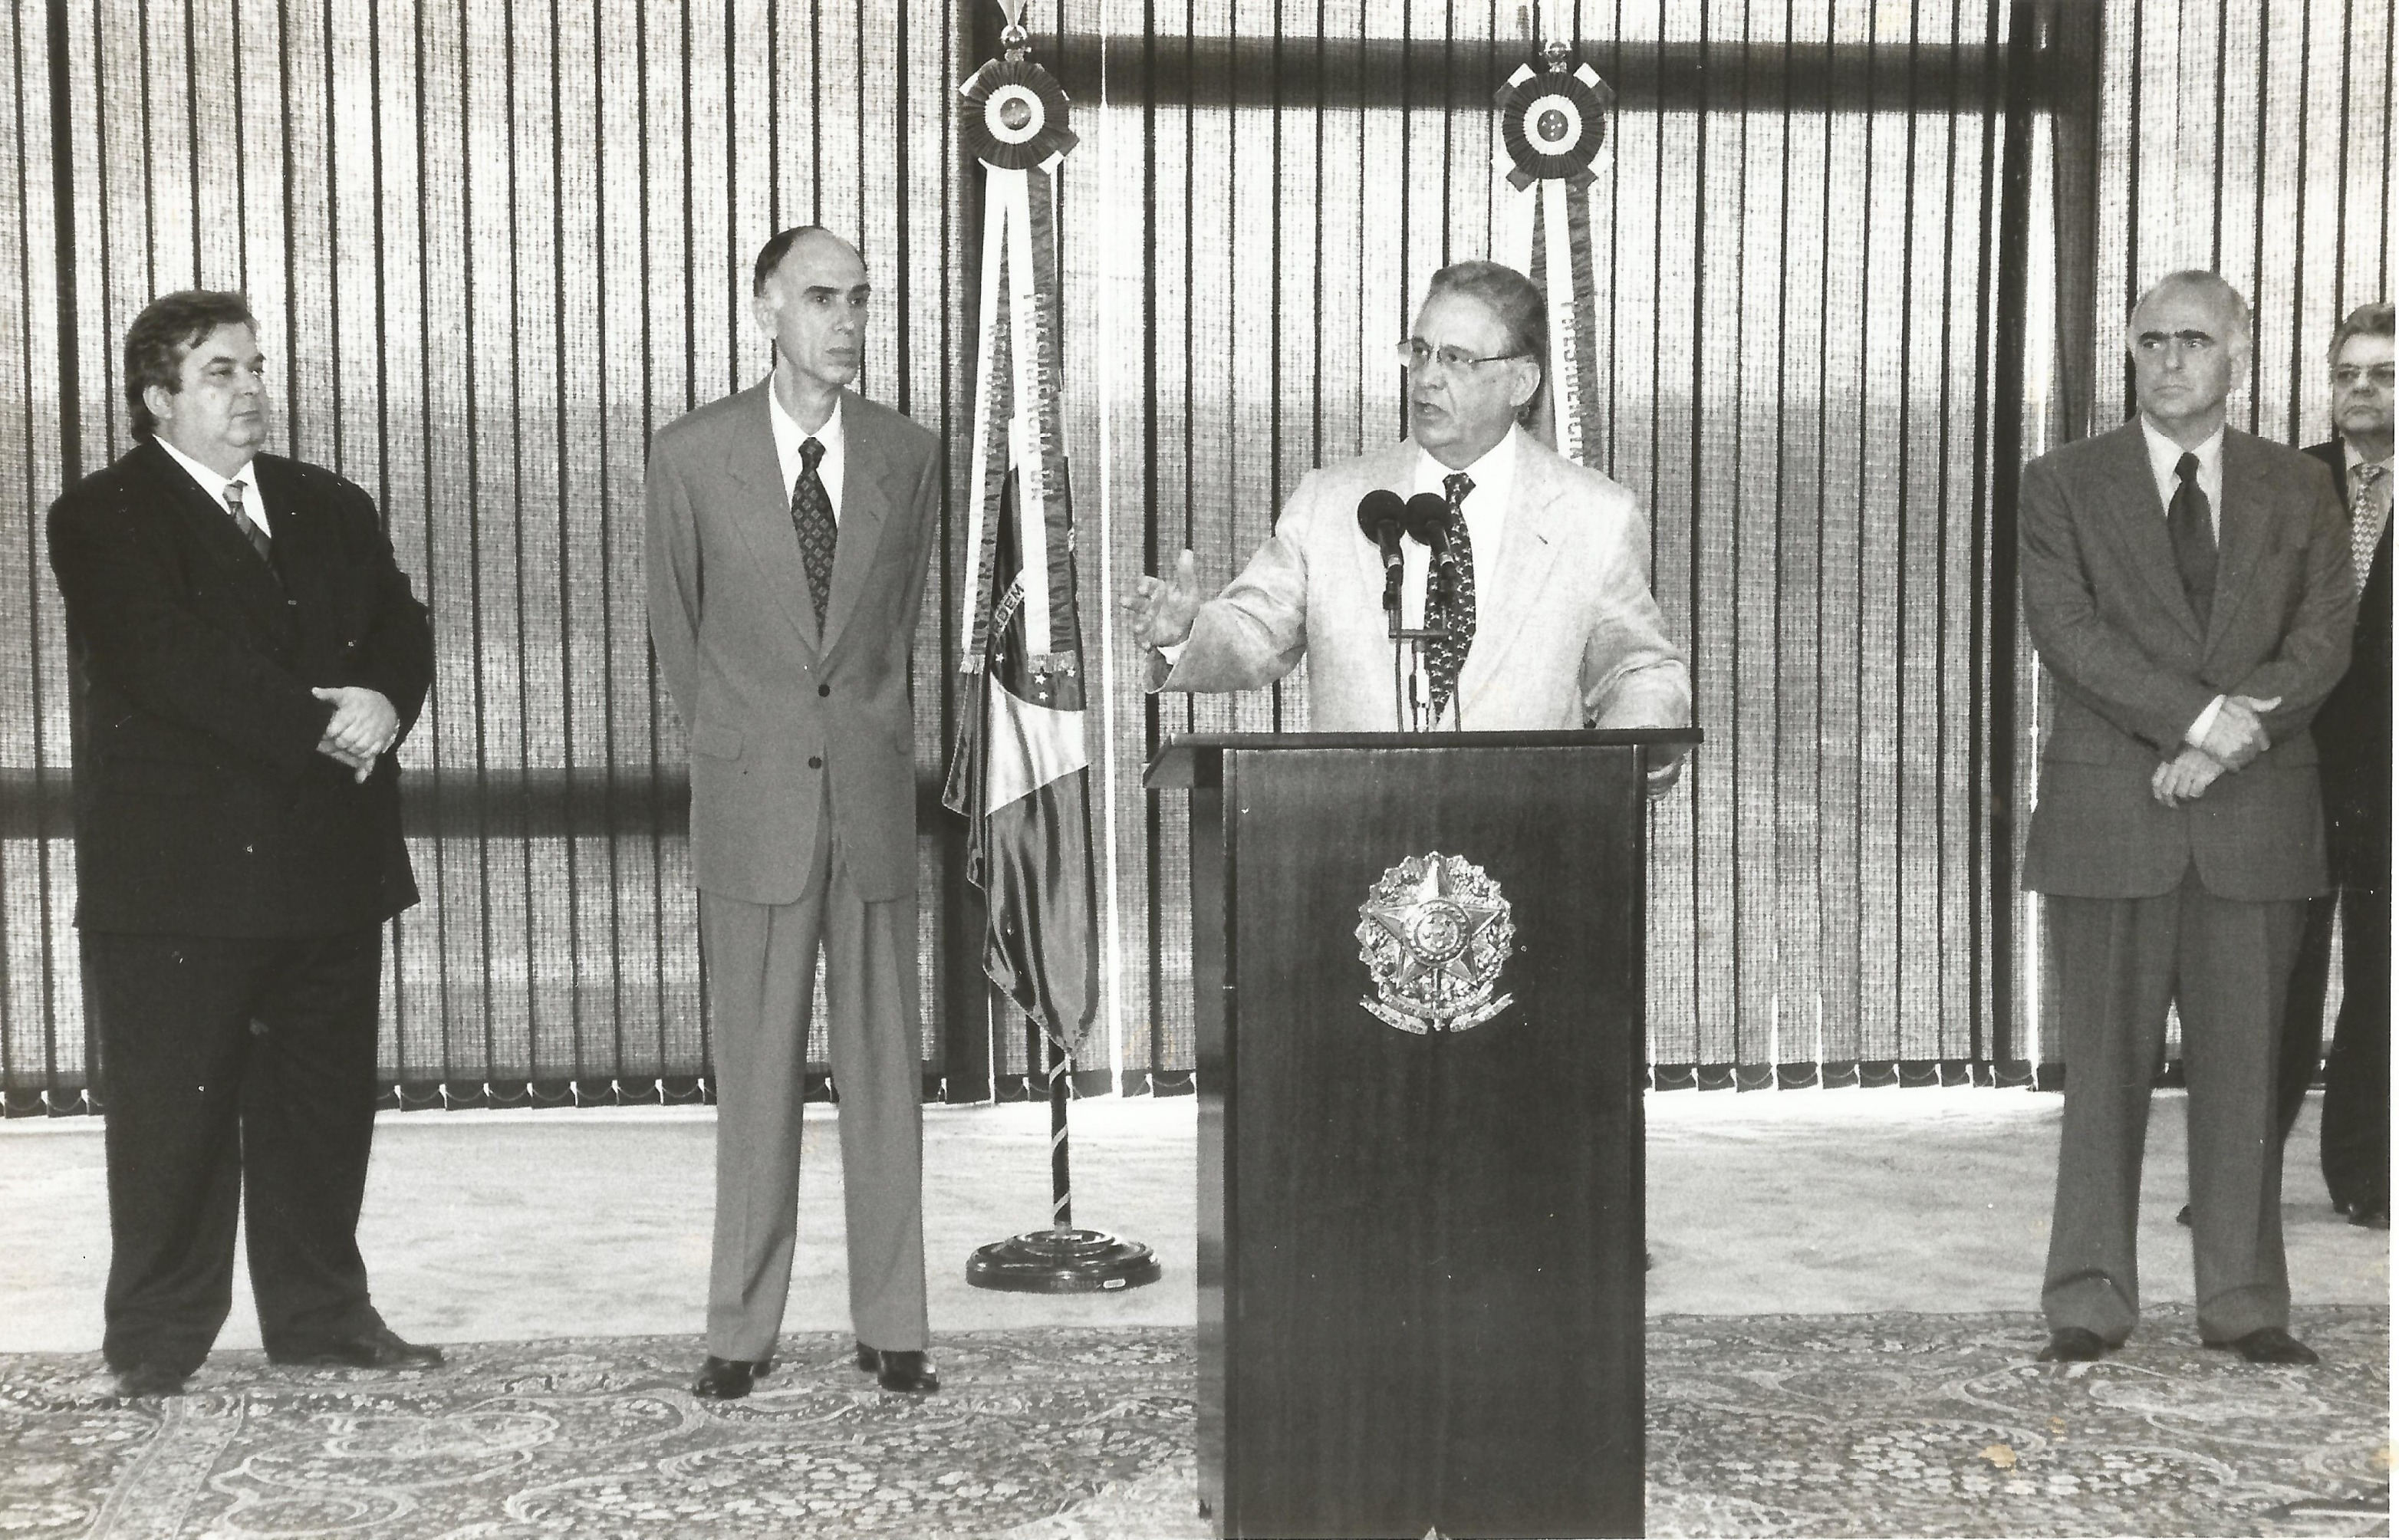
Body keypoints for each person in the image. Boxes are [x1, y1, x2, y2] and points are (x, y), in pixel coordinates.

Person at [47, 291, 439, 1399]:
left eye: (257, 367)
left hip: (328, 863)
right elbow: (167, 662)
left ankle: (322, 1317)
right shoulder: (100, 516)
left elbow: (402, 623)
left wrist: (382, 699)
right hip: (182, 882)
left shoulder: (329, 502)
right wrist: (325, 723)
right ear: (157, 398)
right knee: (176, 1126)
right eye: (220, 372)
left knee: (322, 1112)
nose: (251, 390)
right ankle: (155, 1344)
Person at [2019, 271, 2355, 1367]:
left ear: (2240, 353)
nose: (2172, 360)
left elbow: (2324, 641)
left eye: (2196, 341)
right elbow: (2069, 634)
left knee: (2250, 1075)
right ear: (2128, 347)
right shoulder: (2060, 484)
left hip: (2254, 820)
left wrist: (2230, 740)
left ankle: (2248, 1302)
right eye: (2154, 339)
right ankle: (2088, 1298)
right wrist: (2202, 723)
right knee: (2102, 1081)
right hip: (2111, 816)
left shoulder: (2301, 491)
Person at [645, 227, 943, 1399]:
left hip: (868, 803)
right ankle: (739, 1330)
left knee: (884, 1076)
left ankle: (895, 1323)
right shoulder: (690, 456)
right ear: (765, 305)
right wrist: (754, 746)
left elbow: (896, 632)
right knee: (754, 1077)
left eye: (863, 299)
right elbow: (681, 635)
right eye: (823, 298)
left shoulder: (909, 456)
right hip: (752, 803)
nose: (849, 321)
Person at [1121, 259, 1691, 775]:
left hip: (1528, 841)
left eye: (1457, 359)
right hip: (1359, 848)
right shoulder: (1332, 502)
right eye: (1419, 351)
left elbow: (1638, 669)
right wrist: (1187, 634)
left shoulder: (1594, 516)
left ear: (1522, 382)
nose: (1426, 377)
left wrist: (1626, 758)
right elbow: (1257, 632)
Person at [2280, 301, 2393, 1229]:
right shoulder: (2288, 484)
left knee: (2381, 979)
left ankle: (2367, 1176)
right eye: (2346, 373)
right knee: (2273, 972)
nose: (2360, 389)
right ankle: (2236, 1175)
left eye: (2383, 374)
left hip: (2388, 773)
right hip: (2292, 766)